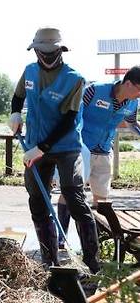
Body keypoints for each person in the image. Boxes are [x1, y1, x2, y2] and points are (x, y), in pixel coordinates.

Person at [8, 27, 100, 273]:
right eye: (42, 52)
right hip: (34, 145)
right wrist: (15, 113)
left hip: (66, 146)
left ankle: (91, 263)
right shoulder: (29, 71)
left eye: (52, 52)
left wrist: (42, 148)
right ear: (35, 50)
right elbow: (17, 97)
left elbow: (69, 120)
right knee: (37, 200)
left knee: (73, 197)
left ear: (61, 50)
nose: (47, 58)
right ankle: (50, 262)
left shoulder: (74, 79)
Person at [57, 66, 140, 248]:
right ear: (128, 83)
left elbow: (132, 123)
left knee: (102, 199)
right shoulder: (94, 90)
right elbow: (73, 113)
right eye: (139, 89)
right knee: (69, 193)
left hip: (104, 151)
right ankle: (60, 238)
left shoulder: (134, 103)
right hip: (81, 150)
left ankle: (96, 243)